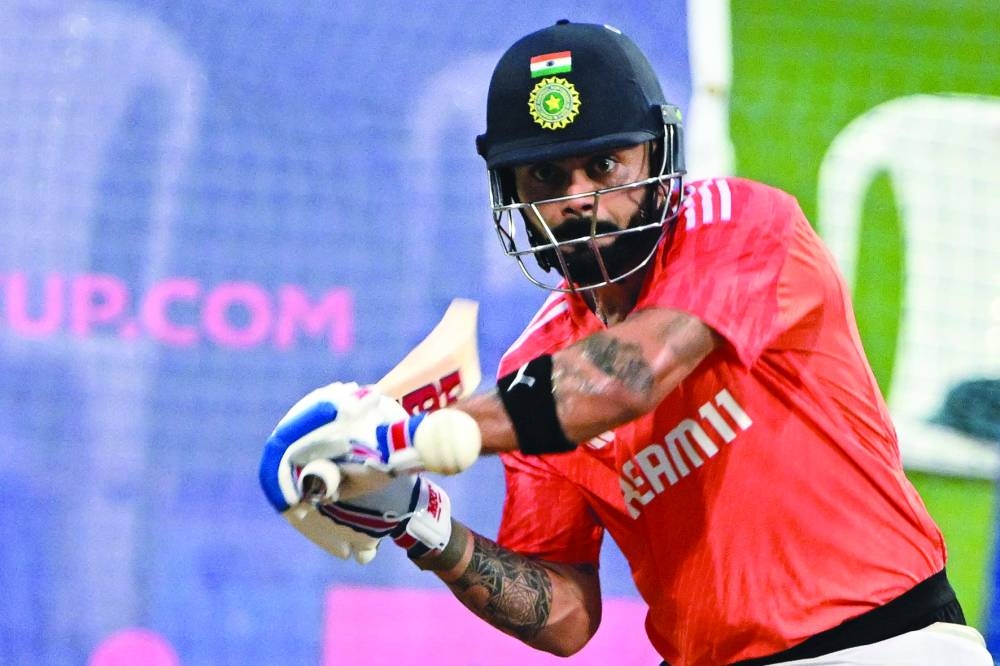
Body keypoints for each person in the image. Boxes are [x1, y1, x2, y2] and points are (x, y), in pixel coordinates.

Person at [258, 20, 994, 665]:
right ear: (514, 194)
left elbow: (625, 379)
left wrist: (402, 435)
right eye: (548, 175)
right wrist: (423, 523)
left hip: (889, 647)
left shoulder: (741, 226)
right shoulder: (533, 373)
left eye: (605, 165)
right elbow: (567, 615)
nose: (580, 198)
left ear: (656, 157)